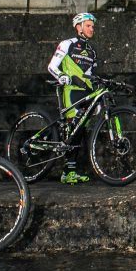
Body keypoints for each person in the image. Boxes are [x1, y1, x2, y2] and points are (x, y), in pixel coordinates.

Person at [47, 12, 99, 184]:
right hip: (71, 90)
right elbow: (52, 66)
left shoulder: (92, 51)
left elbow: (92, 75)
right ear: (79, 27)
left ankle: (70, 171)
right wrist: (63, 76)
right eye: (88, 25)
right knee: (74, 127)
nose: (92, 28)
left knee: (81, 131)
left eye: (93, 26)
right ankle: (68, 171)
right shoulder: (67, 44)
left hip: (86, 93)